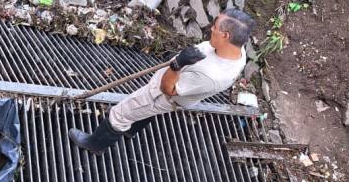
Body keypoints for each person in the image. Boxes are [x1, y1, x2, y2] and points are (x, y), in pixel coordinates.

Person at [69, 8, 255, 153]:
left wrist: (177, 65)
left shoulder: (210, 76)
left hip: (161, 96)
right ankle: (130, 130)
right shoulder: (237, 51)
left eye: (215, 27)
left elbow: (168, 89)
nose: (211, 29)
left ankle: (94, 145)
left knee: (120, 113)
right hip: (171, 90)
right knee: (144, 112)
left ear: (225, 36)